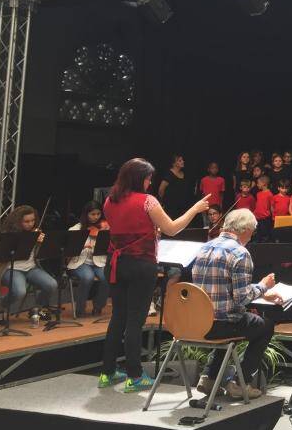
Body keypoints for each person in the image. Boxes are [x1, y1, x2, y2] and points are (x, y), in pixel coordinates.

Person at [100, 158, 209, 392]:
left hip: (116, 264)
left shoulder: (110, 200)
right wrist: (195, 209)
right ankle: (135, 376)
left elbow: (126, 228)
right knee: (135, 321)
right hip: (141, 265)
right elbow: (172, 228)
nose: (150, 183)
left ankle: (107, 372)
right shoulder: (147, 201)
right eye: (149, 178)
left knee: (118, 317)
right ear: (141, 179)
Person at [192, 209, 281, 400]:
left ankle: (209, 377)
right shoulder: (241, 253)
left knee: (233, 321)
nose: (252, 235)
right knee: (265, 326)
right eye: (252, 231)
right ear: (246, 229)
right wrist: (264, 286)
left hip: (196, 324)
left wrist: (260, 292)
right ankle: (240, 383)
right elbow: (241, 299)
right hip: (219, 325)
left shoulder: (204, 248)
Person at [0, 205, 58, 324]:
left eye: (33, 220)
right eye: (26, 221)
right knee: (20, 291)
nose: (31, 224)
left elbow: (42, 255)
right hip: (12, 269)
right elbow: (1, 254)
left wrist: (41, 245)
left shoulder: (36, 233)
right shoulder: (9, 235)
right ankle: (1, 307)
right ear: (18, 222)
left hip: (31, 268)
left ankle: (37, 308)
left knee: (52, 284)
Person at [68, 201, 109, 317]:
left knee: (107, 277)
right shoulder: (76, 229)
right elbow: (68, 250)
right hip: (81, 262)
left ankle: (98, 307)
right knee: (87, 277)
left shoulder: (105, 228)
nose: (96, 217)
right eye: (92, 214)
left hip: (99, 261)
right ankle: (80, 309)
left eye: (98, 214)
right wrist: (82, 246)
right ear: (86, 214)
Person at [158, 154, 193, 221]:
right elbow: (161, 190)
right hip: (172, 208)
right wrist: (166, 201)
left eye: (182, 160)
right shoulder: (169, 174)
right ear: (174, 163)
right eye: (180, 161)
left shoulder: (184, 173)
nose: (183, 161)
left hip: (183, 207)